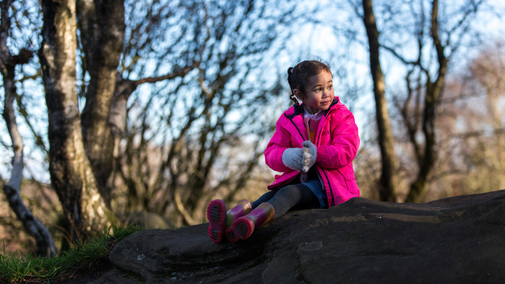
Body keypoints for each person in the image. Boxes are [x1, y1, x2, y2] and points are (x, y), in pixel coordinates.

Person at [207, 60, 360, 243]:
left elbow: (346, 151)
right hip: (298, 179)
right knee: (269, 196)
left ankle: (251, 221)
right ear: (299, 94)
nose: (327, 93)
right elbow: (271, 153)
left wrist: (317, 154)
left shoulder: (341, 115)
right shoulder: (289, 119)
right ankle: (230, 219)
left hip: (330, 188)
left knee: (290, 194)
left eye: (330, 86)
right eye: (318, 89)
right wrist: (287, 156)